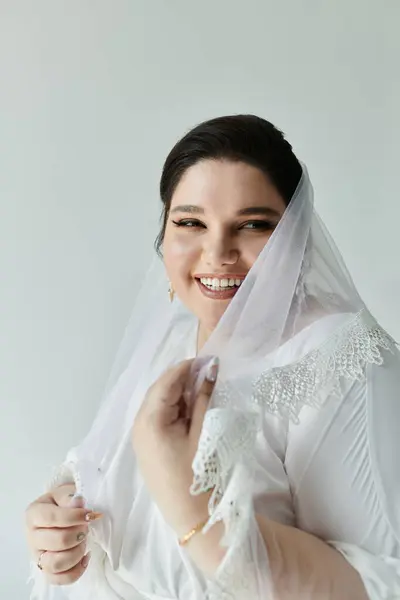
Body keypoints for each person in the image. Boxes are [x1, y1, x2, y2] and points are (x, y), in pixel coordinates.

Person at [26, 115, 400, 600]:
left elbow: (381, 583)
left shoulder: (342, 360)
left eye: (252, 225)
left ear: (296, 240)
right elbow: (102, 492)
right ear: (165, 233)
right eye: (190, 222)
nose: (218, 253)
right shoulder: (173, 340)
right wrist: (57, 527)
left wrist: (192, 509)